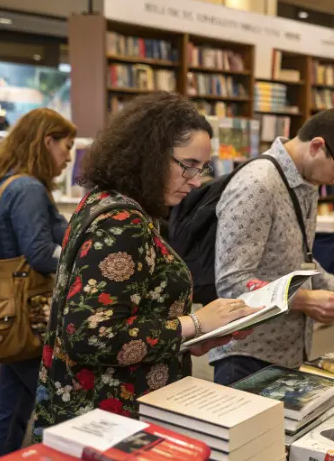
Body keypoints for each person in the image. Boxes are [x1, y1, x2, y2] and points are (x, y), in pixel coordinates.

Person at [33, 92, 258, 435]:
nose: (196, 181)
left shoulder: (111, 202)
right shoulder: (122, 221)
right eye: (188, 165)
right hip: (113, 417)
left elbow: (132, 314)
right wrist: (194, 323)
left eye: (203, 168)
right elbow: (93, 335)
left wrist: (192, 336)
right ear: (149, 156)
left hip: (114, 407)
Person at [209, 106, 334, 385]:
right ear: (316, 146)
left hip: (288, 349)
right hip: (247, 353)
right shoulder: (258, 185)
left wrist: (333, 287)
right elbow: (231, 282)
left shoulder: (306, 181)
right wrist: (304, 300)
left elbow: (301, 258)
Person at [0, 108, 76, 461]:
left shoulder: (4, 181)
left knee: (10, 403)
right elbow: (37, 253)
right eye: (65, 146)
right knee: (57, 405)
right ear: (46, 141)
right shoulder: (28, 187)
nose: (68, 155)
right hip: (29, 310)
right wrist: (83, 261)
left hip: (7, 308)